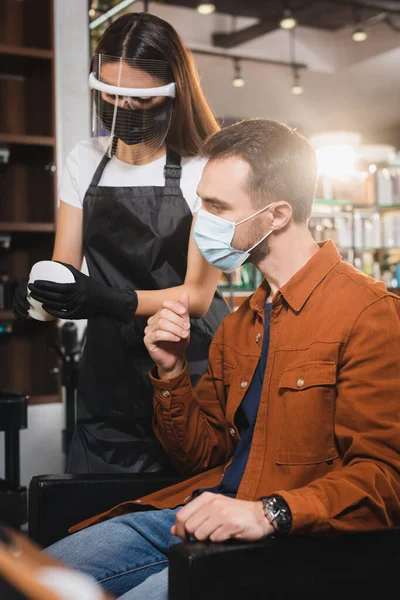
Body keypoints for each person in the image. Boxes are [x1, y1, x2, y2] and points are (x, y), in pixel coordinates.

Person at [46, 118, 400, 600]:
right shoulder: (240, 324)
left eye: (215, 207)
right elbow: (200, 456)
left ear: (276, 214)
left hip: (287, 539)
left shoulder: (369, 314)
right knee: (41, 574)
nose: (200, 223)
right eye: (200, 204)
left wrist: (268, 512)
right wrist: (170, 373)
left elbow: (384, 480)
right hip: (199, 510)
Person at [12, 12, 229, 474]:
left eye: (139, 99)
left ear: (173, 92)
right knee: (93, 513)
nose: (121, 109)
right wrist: (43, 296)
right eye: (110, 95)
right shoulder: (84, 159)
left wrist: (107, 299)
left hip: (189, 360)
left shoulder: (203, 167)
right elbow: (65, 269)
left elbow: (197, 296)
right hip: (108, 370)